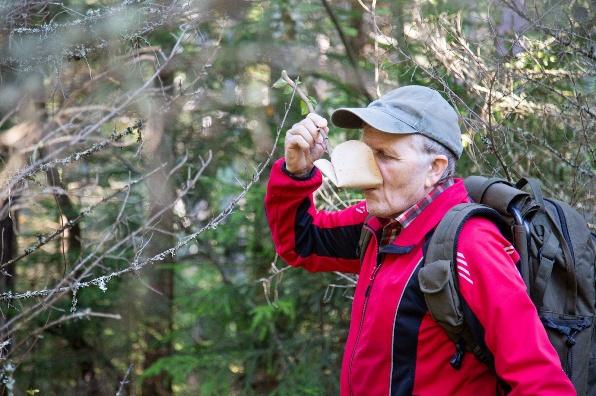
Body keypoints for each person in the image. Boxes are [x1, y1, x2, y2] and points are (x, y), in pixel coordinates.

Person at [264, 85, 575, 395]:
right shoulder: (376, 225)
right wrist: (297, 173)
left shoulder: (470, 244)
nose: (366, 171)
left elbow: (540, 380)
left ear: (434, 168)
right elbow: (301, 243)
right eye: (366, 152)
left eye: (384, 156)